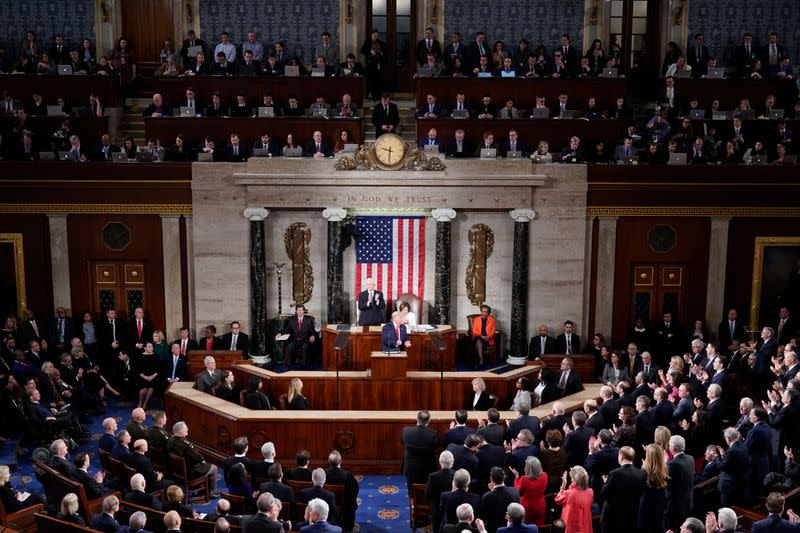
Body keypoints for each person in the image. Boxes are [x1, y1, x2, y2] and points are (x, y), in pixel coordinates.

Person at [167, 421, 219, 497]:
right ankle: (212, 493)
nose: (187, 429)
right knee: (214, 468)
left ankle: (201, 485)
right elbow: (199, 458)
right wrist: (202, 459)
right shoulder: (186, 445)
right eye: (185, 428)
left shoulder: (170, 440)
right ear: (180, 432)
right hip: (190, 472)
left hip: (177, 470)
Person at [600, 446, 645, 533]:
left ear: (621, 456)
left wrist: (605, 483)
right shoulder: (641, 473)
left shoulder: (614, 474)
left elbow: (604, 494)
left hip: (615, 518)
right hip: (633, 516)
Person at [665, 435, 694, 531]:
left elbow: (668, 485)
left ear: (673, 448)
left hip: (675, 506)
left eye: (669, 445)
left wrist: (665, 464)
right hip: (688, 501)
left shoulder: (671, 464)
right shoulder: (690, 458)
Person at [554, 466, 593, 533]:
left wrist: (563, 486)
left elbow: (558, 500)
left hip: (571, 528)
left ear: (577, 480)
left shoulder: (568, 494)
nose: (571, 480)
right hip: (585, 528)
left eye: (572, 478)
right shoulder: (590, 492)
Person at [511, 456, 546, 526]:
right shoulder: (545, 475)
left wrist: (517, 478)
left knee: (527, 527)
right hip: (540, 506)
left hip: (527, 508)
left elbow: (517, 492)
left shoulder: (524, 480)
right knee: (539, 526)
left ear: (528, 469)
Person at [360, 30, 388, 100]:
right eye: (375, 35)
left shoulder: (380, 42)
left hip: (378, 64)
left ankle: (377, 96)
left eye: (377, 36)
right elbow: (362, 51)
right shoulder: (367, 42)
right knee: (370, 81)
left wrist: (381, 54)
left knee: (377, 81)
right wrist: (370, 51)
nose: (376, 37)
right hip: (370, 64)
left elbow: (384, 52)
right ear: (371, 35)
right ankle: (368, 96)